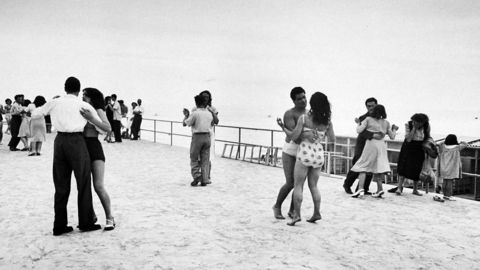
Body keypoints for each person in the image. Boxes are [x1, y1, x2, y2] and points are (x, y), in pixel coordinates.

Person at [32, 76, 102, 235]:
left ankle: (59, 225)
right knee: (83, 182)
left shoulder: (55, 102)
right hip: (77, 141)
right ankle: (86, 222)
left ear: (65, 88)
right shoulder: (83, 104)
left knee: (61, 184)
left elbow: (36, 114)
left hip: (60, 142)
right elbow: (100, 124)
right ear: (78, 90)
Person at [280, 92, 335, 226]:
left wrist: (283, 127)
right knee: (314, 186)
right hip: (318, 153)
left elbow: (294, 136)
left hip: (305, 152)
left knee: (298, 185)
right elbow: (332, 141)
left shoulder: (304, 118)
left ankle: (296, 215)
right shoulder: (327, 121)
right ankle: (316, 212)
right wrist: (318, 139)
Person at [81, 88, 115, 230]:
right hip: (80, 146)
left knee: (98, 185)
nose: (82, 98)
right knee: (84, 185)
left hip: (93, 146)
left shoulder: (98, 110)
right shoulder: (81, 109)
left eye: (85, 96)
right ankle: (91, 215)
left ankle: (110, 218)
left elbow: (108, 128)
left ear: (92, 98)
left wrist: (91, 119)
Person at [272, 87, 307, 219]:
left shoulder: (309, 113)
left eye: (304, 97)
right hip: (290, 150)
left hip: (304, 150)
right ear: (294, 101)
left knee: (300, 183)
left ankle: (293, 210)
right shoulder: (289, 113)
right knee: (290, 182)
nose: (303, 100)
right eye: (299, 99)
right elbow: (294, 136)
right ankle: (277, 206)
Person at [350, 105, 398, 198]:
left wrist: (358, 123)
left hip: (371, 144)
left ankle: (360, 188)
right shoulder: (386, 123)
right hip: (381, 145)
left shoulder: (368, 119)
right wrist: (394, 129)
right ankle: (379, 189)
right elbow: (392, 137)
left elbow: (359, 130)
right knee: (378, 167)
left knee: (363, 165)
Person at [342, 97, 379, 195]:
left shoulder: (379, 118)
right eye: (369, 106)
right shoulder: (363, 118)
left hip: (373, 145)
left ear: (376, 105)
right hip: (362, 144)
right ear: (366, 107)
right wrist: (374, 135)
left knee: (370, 165)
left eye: (373, 106)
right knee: (358, 164)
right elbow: (362, 131)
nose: (371, 108)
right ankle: (347, 184)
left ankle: (363, 188)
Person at [393, 113, 431, 196]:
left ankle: (415, 189)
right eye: (415, 121)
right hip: (408, 146)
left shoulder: (426, 126)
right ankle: (399, 187)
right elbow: (409, 139)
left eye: (419, 122)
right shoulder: (408, 125)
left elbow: (427, 137)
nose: (417, 123)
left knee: (417, 167)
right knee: (403, 166)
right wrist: (414, 128)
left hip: (419, 147)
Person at [183, 95, 214, 186]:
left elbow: (186, 123)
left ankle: (197, 176)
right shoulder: (209, 113)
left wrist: (186, 116)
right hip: (207, 136)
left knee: (194, 157)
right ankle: (205, 179)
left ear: (196, 103)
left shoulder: (195, 113)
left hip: (197, 136)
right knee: (205, 159)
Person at [194, 90, 219, 184]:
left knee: (208, 156)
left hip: (209, 133)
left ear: (209, 98)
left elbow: (216, 121)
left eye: (207, 97)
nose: (205, 98)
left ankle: (207, 176)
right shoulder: (196, 109)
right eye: (203, 97)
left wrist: (211, 112)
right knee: (198, 156)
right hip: (198, 133)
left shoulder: (212, 108)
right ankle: (200, 175)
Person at [436, 134, 468, 201]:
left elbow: (438, 143)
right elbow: (465, 144)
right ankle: (449, 196)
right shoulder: (457, 147)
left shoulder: (443, 147)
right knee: (450, 182)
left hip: (443, 167)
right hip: (451, 168)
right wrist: (460, 142)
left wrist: (444, 141)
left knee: (444, 181)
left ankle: (445, 195)